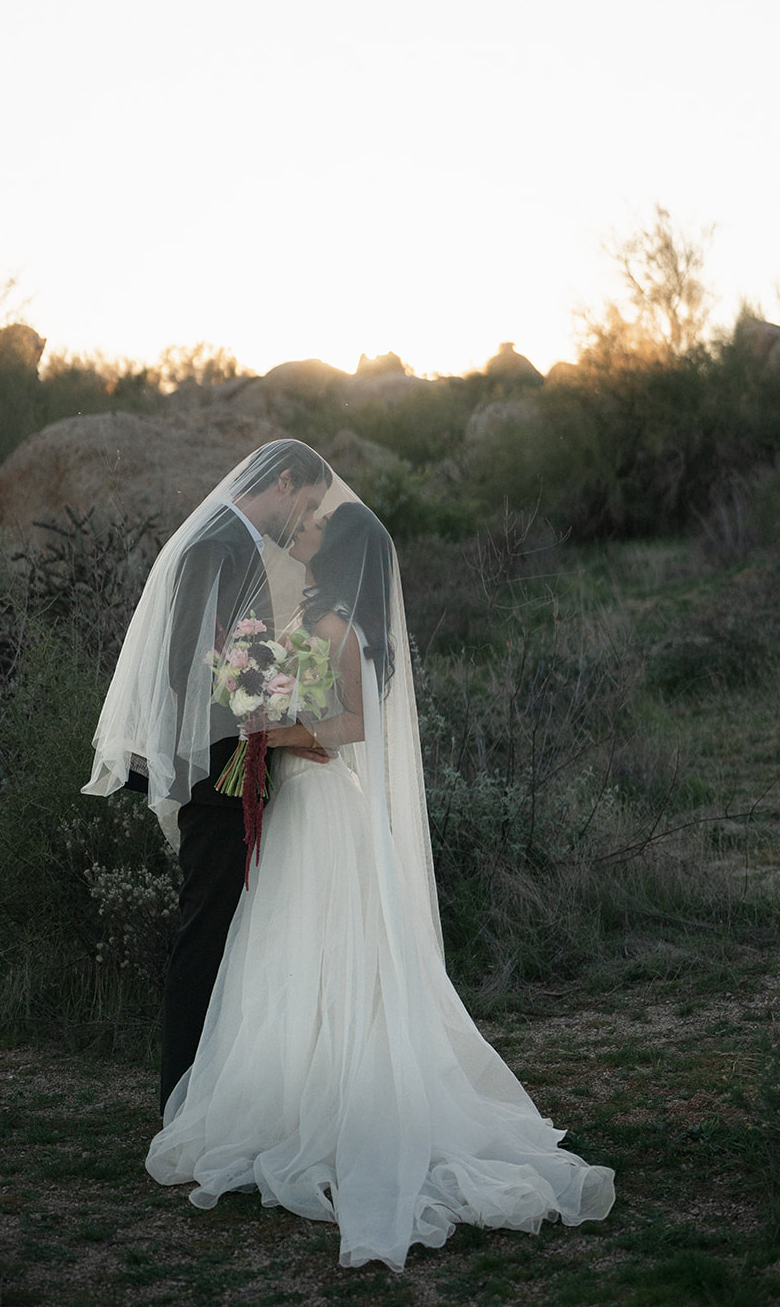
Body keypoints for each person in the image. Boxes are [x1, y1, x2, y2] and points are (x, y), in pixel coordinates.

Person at [135, 462, 616, 1272]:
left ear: (342, 553)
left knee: (301, 945)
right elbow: (281, 702)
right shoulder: (315, 615)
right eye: (311, 517)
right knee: (296, 951)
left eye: (321, 528)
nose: (309, 530)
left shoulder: (336, 627)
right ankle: (287, 1086)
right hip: (307, 805)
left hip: (320, 802)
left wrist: (263, 733)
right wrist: (262, 718)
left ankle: (297, 1102)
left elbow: (337, 728)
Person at [83, 440, 331, 1110]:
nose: (302, 516)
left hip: (234, 760)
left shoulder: (236, 543)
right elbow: (184, 666)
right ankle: (180, 1103)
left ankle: (215, 1093)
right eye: (304, 503)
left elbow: (236, 650)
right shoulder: (213, 545)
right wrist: (272, 711)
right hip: (214, 772)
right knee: (205, 932)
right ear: (282, 484)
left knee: (230, 931)